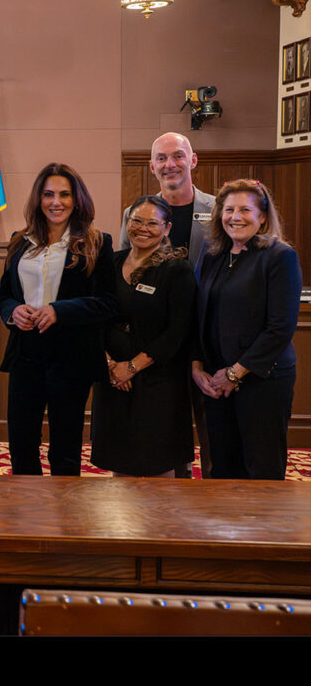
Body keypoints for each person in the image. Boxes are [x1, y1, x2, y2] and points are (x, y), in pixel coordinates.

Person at [0, 162, 116, 477]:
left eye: (64, 194)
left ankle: (64, 520)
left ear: (77, 199)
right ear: (38, 199)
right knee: (21, 441)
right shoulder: (20, 240)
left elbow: (106, 302)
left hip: (71, 356)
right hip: (26, 353)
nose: (55, 202)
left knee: (64, 445)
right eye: (48, 194)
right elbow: (5, 294)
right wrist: (12, 311)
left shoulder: (96, 242)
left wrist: (59, 310)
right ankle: (27, 514)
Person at [119, 131, 215, 476]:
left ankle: (211, 500)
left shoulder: (218, 210)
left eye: (177, 156)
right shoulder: (137, 212)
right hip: (157, 342)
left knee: (210, 427)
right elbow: (124, 273)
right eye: (161, 158)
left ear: (193, 160)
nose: (170, 164)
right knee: (165, 425)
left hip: (205, 334)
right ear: (152, 166)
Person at [192, 179, 301, 480]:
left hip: (262, 380)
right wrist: (197, 365)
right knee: (223, 467)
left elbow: (280, 328)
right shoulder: (212, 253)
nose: (235, 217)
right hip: (216, 381)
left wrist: (235, 373)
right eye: (228, 209)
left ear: (263, 216)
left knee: (261, 467)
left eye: (245, 210)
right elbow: (200, 314)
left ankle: (265, 528)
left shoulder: (280, 257)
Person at [93, 196, 196, 477]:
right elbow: (95, 316)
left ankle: (160, 523)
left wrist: (131, 367)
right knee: (119, 462)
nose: (143, 228)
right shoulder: (111, 263)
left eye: (152, 223)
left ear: (167, 228)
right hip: (112, 378)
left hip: (156, 382)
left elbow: (177, 332)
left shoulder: (176, 270)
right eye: (137, 220)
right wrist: (111, 365)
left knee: (154, 466)